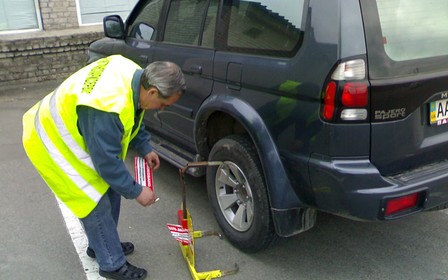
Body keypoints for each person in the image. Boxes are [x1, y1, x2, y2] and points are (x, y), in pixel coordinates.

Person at [22, 55, 186, 280]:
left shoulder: (136, 77)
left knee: (111, 189)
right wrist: (137, 191)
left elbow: (132, 115)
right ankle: (112, 264)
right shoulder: (106, 107)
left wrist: (144, 146)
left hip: (74, 128)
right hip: (51, 142)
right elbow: (107, 163)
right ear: (153, 92)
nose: (161, 109)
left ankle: (100, 245)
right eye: (163, 104)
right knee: (93, 199)